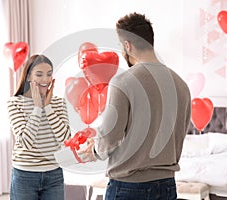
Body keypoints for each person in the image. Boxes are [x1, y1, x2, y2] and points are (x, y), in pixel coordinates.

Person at [78, 12, 191, 200]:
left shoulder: (123, 82)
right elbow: (179, 135)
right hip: (167, 187)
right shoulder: (180, 85)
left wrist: (95, 150)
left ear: (127, 46)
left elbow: (110, 134)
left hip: (129, 187)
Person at [7, 54, 71, 200]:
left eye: (49, 74)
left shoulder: (58, 102)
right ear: (28, 76)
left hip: (54, 174)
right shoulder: (14, 103)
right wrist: (37, 108)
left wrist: (47, 107)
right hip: (25, 175)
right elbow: (26, 142)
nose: (45, 80)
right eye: (39, 74)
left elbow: (65, 139)